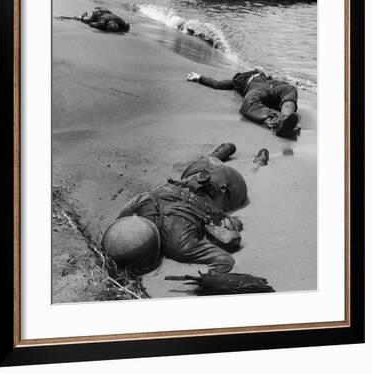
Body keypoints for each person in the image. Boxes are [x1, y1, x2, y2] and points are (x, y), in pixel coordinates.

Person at [116, 145, 248, 274]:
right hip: (201, 176)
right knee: (209, 164)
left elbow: (225, 260)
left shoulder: (180, 246)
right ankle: (220, 153)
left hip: (226, 187)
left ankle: (221, 154)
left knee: (211, 166)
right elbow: (126, 212)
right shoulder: (144, 207)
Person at [187, 69, 300, 139]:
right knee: (248, 102)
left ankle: (287, 118)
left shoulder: (264, 76)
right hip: (256, 90)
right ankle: (278, 123)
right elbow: (217, 84)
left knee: (290, 89)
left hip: (274, 86)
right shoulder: (237, 82)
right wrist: (199, 78)